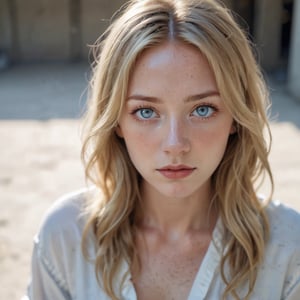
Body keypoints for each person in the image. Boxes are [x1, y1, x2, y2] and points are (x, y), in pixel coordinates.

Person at [24, 0, 300, 299]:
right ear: (116, 120)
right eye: (145, 112)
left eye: (203, 109)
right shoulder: (66, 236)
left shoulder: (288, 248)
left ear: (236, 115)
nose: (175, 145)